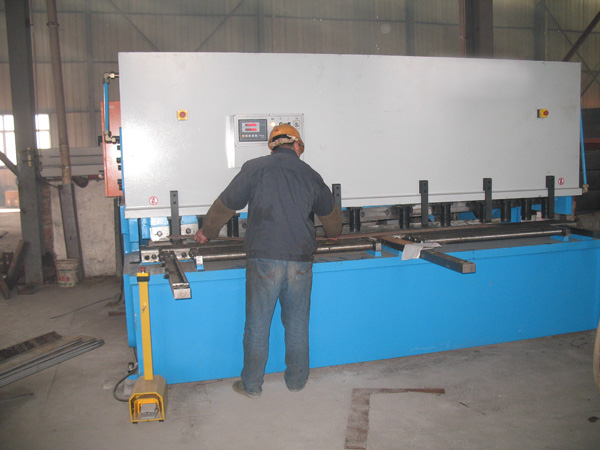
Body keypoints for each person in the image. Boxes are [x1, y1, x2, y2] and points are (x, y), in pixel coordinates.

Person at [194, 123, 341, 399]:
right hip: (300, 261)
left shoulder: (255, 167)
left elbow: (226, 204)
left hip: (263, 259)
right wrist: (333, 233)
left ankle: (251, 386)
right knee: (297, 326)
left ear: (273, 146)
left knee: (257, 326)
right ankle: (297, 382)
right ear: (296, 145)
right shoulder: (310, 174)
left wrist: (207, 232)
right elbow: (331, 217)